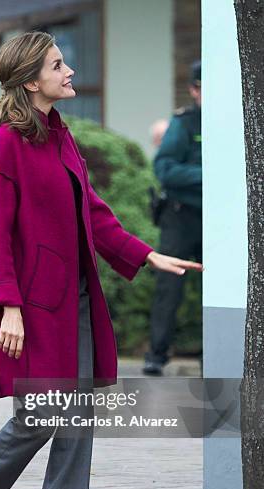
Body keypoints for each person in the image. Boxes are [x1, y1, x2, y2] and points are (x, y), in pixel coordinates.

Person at [0, 32, 202, 489]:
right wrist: (6, 305)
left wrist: (147, 255)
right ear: (31, 80)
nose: (70, 70)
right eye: (58, 64)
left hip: (76, 300)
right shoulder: (4, 143)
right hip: (32, 307)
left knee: (76, 424)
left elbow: (95, 216)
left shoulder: (60, 135)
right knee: (38, 419)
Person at [143, 60, 202, 376]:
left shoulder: (239, 120)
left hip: (216, 222)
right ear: (194, 90)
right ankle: (156, 354)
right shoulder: (184, 123)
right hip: (180, 216)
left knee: (220, 291)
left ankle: (215, 355)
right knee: (169, 285)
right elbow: (165, 169)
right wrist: (209, 175)